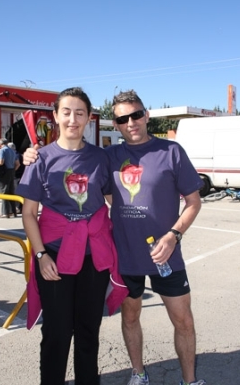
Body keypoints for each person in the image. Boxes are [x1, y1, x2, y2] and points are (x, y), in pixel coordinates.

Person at [23, 89, 207, 385]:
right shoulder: (86, 156)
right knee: (103, 323)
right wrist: (32, 154)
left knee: (176, 321)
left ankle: (190, 381)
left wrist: (172, 235)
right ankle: (137, 373)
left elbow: (191, 201)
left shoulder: (152, 153)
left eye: (135, 115)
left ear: (146, 115)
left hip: (142, 254)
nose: (130, 122)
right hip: (102, 254)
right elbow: (38, 204)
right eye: (122, 118)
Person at [17, 87, 127, 385]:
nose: (72, 118)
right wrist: (40, 256)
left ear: (88, 118)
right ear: (55, 116)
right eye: (66, 112)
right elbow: (29, 214)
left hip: (94, 258)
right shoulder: (40, 158)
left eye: (79, 112)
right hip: (53, 256)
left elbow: (112, 201)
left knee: (88, 330)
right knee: (57, 332)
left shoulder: (100, 158)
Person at [0, 138, 18, 218]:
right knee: (11, 191)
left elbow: (1, 162)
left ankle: (5, 213)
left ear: (0, 144)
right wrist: (12, 170)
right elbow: (17, 164)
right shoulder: (12, 151)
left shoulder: (2, 150)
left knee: (4, 192)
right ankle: (13, 211)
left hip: (5, 172)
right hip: (11, 171)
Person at [8, 142, 25, 214]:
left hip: (17, 175)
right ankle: (20, 207)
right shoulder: (18, 154)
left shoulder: (16, 155)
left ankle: (18, 207)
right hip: (20, 175)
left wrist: (13, 171)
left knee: (17, 192)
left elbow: (18, 164)